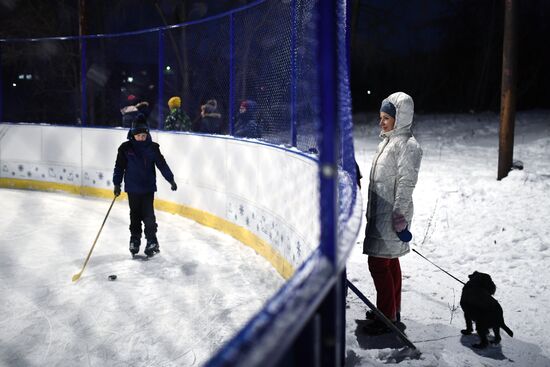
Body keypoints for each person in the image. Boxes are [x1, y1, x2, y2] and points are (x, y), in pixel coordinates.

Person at [362, 91, 423, 335]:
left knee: (378, 263)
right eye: (381, 117)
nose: (381, 121)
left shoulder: (407, 146)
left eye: (387, 117)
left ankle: (386, 316)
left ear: (401, 117)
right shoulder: (388, 142)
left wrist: (399, 215)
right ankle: (391, 311)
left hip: (391, 216)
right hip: (381, 213)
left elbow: (407, 183)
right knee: (388, 261)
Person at [113, 114, 178, 257]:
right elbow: (119, 167)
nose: (141, 138)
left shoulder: (153, 148)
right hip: (132, 188)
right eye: (139, 135)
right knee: (135, 215)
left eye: (144, 135)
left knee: (149, 216)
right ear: (133, 134)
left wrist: (170, 179)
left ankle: (152, 241)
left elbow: (162, 164)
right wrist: (117, 183)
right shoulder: (125, 148)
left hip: (148, 188)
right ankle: (135, 239)